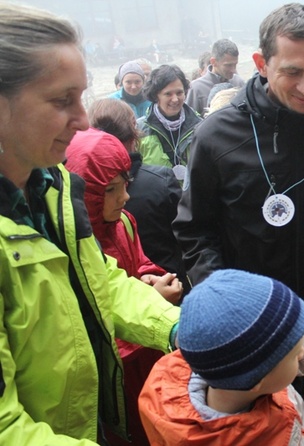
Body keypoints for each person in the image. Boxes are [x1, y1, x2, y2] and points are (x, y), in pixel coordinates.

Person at [172, 4, 304, 445]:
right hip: (254, 332)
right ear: (261, 64)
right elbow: (194, 230)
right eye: (292, 72)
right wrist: (229, 306)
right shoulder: (217, 135)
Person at [0, 4, 179, 444]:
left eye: (81, 97)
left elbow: (99, 283)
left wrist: (180, 328)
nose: (82, 120)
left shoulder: (55, 184)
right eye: (62, 101)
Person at [139, 269, 304, 445]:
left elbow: (275, 344)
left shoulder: (217, 365)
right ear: (258, 378)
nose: (301, 353)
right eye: (293, 354)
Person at [64, 128, 183, 446]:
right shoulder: (72, 245)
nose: (125, 197)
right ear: (85, 193)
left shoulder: (124, 222)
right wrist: (152, 298)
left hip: (148, 355)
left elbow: (138, 264)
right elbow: (87, 321)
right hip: (116, 369)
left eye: (125, 185)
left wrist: (153, 278)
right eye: (111, 189)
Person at [88, 98, 189, 292]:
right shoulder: (160, 180)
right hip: (167, 281)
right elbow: (184, 232)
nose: (124, 197)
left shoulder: (78, 191)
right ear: (134, 131)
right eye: (111, 189)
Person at [136, 64, 202, 184]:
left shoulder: (200, 126)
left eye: (179, 93)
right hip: (157, 199)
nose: (175, 99)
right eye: (168, 94)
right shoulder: (139, 130)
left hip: (192, 199)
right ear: (156, 95)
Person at [186, 38, 245, 115]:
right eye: (228, 65)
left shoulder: (239, 82)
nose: (233, 70)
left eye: (235, 64)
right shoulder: (197, 88)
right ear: (213, 62)